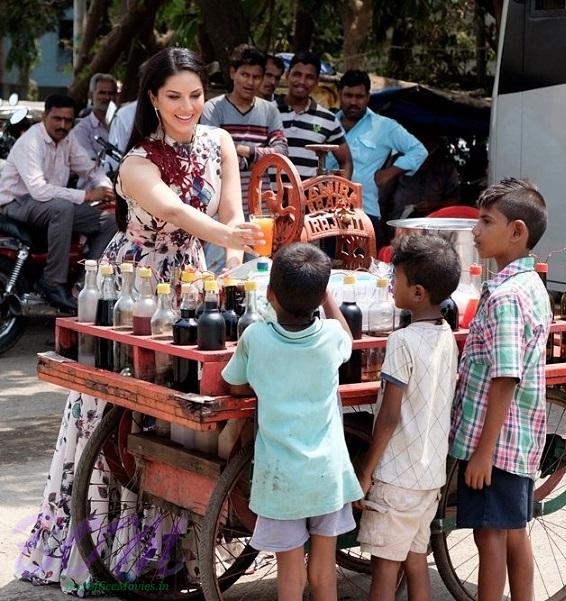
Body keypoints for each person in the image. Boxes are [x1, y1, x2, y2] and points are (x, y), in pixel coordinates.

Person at [14, 47, 262, 596]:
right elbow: (174, 213)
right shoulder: (136, 163)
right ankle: (106, 546)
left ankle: (172, 544)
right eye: (174, 96)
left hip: (192, 283)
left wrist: (238, 271)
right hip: (134, 287)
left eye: (195, 95)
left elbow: (231, 215)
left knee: (180, 405)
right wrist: (230, 239)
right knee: (116, 404)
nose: (187, 106)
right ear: (152, 98)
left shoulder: (219, 141)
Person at [222, 242, 363, 601]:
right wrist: (328, 298)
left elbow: (235, 383)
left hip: (281, 479)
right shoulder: (330, 338)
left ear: (270, 294)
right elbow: (347, 335)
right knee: (323, 570)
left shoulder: (255, 337)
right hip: (327, 477)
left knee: (290, 573)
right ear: (319, 299)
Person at [449, 178, 552, 601]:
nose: (475, 230)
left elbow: (505, 376)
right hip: (518, 441)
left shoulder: (508, 296)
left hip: (496, 445)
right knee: (511, 533)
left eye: (485, 221)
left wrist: (483, 453)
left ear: (517, 231)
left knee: (489, 539)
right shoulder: (530, 286)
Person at [356, 234, 460, 601]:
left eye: (395, 279)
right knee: (416, 560)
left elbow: (388, 416)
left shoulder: (401, 341)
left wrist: (366, 471)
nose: (390, 286)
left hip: (397, 477)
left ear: (417, 293)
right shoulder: (447, 333)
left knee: (386, 566)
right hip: (430, 474)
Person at [0, 94, 116, 311]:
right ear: (45, 116)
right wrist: (88, 196)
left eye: (68, 120)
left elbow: (90, 168)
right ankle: (53, 282)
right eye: (57, 119)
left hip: (49, 203)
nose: (63, 125)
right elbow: (40, 191)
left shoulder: (67, 139)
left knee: (110, 219)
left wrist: (106, 188)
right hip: (17, 203)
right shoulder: (31, 141)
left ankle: (84, 285)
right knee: (61, 209)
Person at [326, 69, 427, 249]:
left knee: (361, 274)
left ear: (368, 98)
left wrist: (389, 173)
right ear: (339, 95)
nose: (353, 102)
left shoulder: (385, 126)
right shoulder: (326, 123)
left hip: (364, 214)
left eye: (359, 96)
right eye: (348, 95)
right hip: (323, 215)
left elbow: (418, 150)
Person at [201, 44, 287, 216]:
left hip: (260, 206)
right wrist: (259, 160)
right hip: (221, 205)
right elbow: (212, 155)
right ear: (233, 73)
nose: (250, 82)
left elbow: (282, 152)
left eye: (256, 77)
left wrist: (242, 150)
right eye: (245, 75)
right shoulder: (212, 108)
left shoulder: (270, 111)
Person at [276, 51, 353, 180]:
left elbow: (346, 162)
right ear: (287, 75)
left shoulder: (328, 120)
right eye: (297, 75)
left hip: (307, 198)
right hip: (269, 198)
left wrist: (340, 197)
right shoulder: (267, 112)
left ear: (317, 82)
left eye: (309, 77)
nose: (302, 81)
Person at [72, 73, 118, 160]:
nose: (107, 97)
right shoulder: (82, 130)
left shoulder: (124, 124)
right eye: (102, 93)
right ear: (90, 95)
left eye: (111, 93)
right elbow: (90, 164)